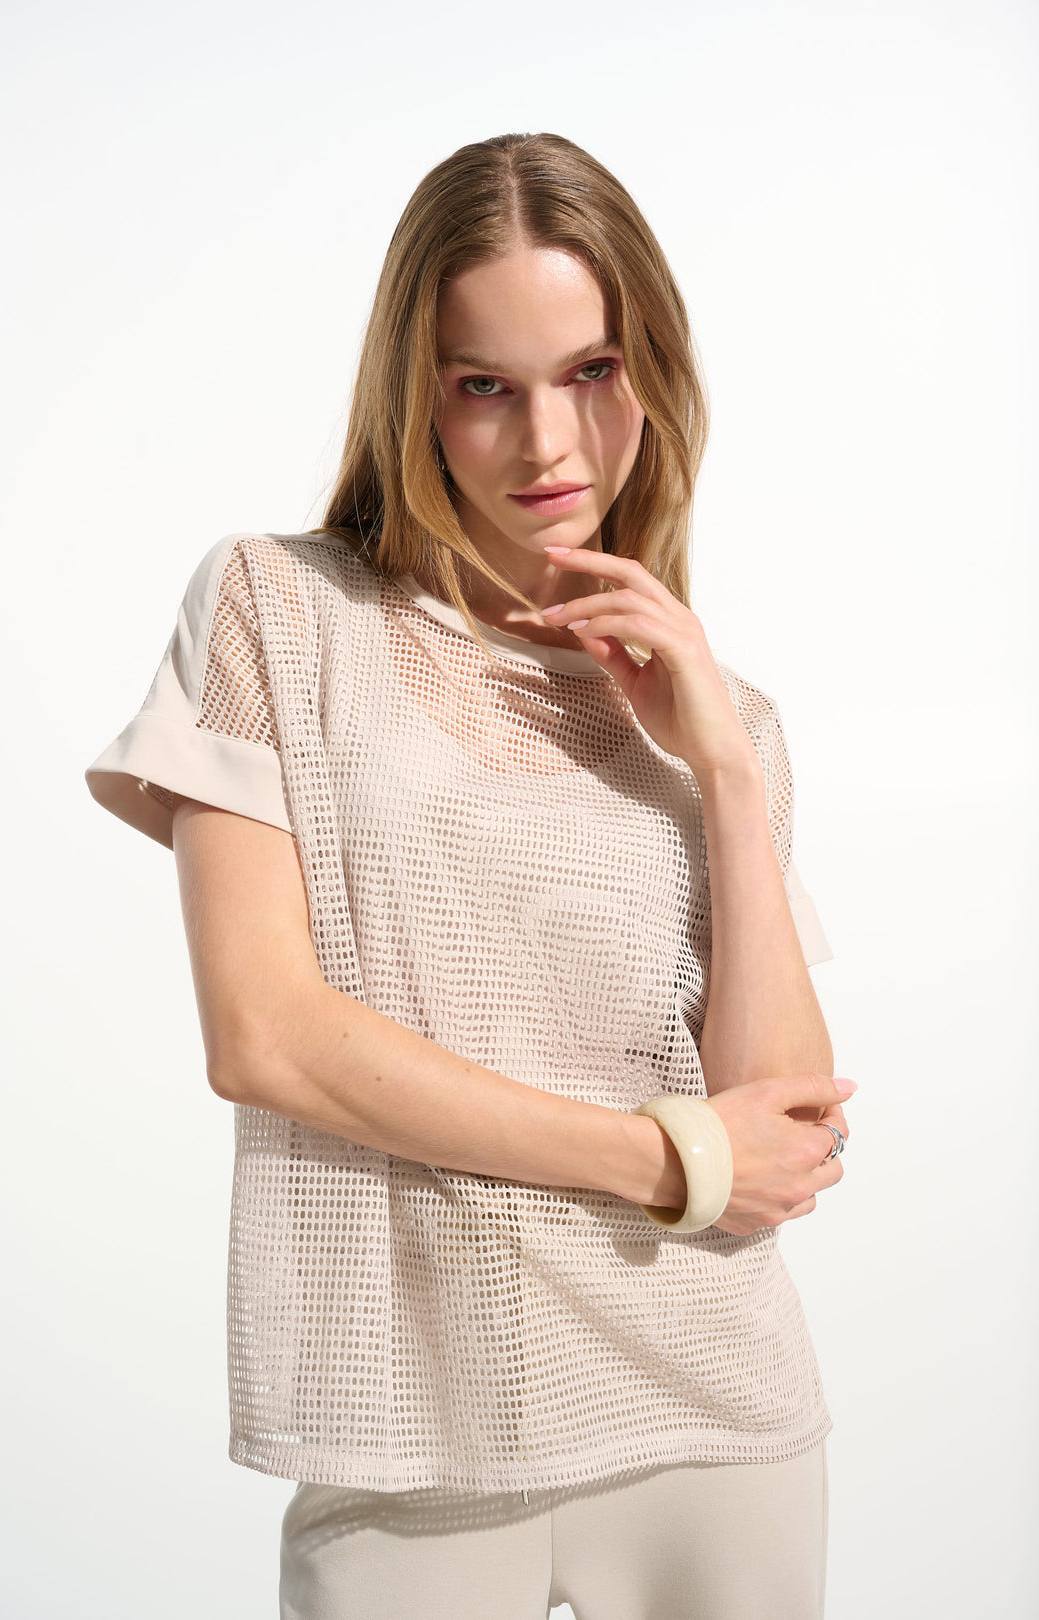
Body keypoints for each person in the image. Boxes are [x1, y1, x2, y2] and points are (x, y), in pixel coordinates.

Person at [84, 131, 854, 1620]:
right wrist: (666, 1157)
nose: (548, 444)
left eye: (592, 372)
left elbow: (785, 1141)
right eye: (483, 385)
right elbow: (266, 1037)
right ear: (413, 394)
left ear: (658, 378)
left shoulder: (728, 718)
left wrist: (729, 780)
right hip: (408, 1443)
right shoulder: (276, 610)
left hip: (716, 1423)